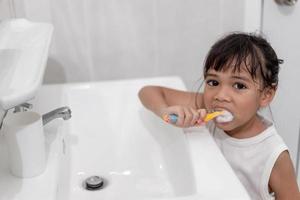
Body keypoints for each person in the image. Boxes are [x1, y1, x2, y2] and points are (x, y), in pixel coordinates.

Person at [138, 33, 300, 200]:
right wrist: (166, 112)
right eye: (213, 82)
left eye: (239, 85)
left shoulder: (274, 156)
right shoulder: (206, 107)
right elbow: (148, 92)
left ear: (266, 95)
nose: (221, 96)